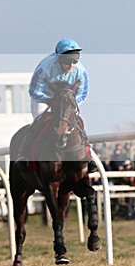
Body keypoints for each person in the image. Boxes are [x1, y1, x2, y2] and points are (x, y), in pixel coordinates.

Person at [21, 38, 96, 171]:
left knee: (77, 121)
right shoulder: (44, 68)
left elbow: (82, 94)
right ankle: (24, 155)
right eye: (68, 61)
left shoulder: (80, 72)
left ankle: (88, 158)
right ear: (59, 58)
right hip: (45, 97)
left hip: (68, 100)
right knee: (39, 120)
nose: (72, 65)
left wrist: (68, 104)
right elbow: (34, 91)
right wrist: (52, 101)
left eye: (75, 60)